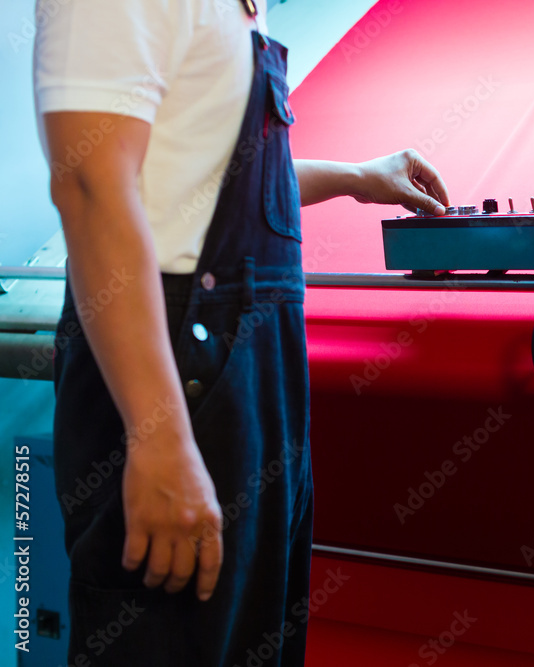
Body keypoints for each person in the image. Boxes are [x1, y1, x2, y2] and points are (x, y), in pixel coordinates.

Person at [34, 0, 449, 664]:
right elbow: (90, 188)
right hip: (174, 377)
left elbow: (194, 180)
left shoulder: (237, 11)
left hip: (251, 384)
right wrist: (159, 436)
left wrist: (358, 178)